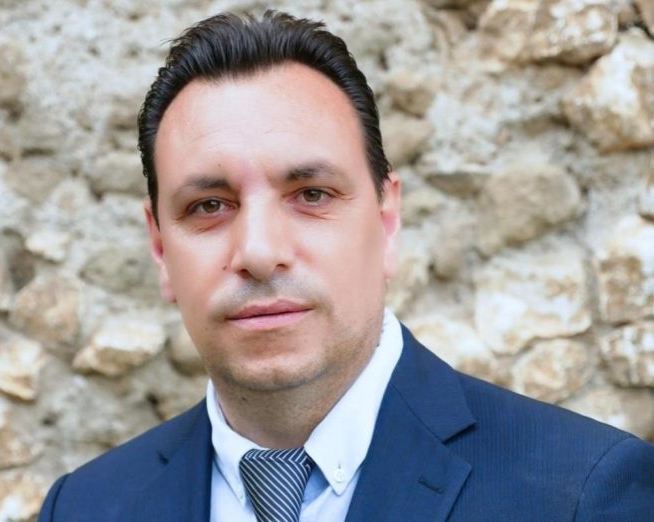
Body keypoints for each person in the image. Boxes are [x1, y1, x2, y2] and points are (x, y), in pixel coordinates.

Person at [38, 10, 654, 522]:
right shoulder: (83, 507)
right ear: (159, 248)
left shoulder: (581, 494)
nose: (259, 252)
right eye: (209, 206)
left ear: (386, 221)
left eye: (311, 194)